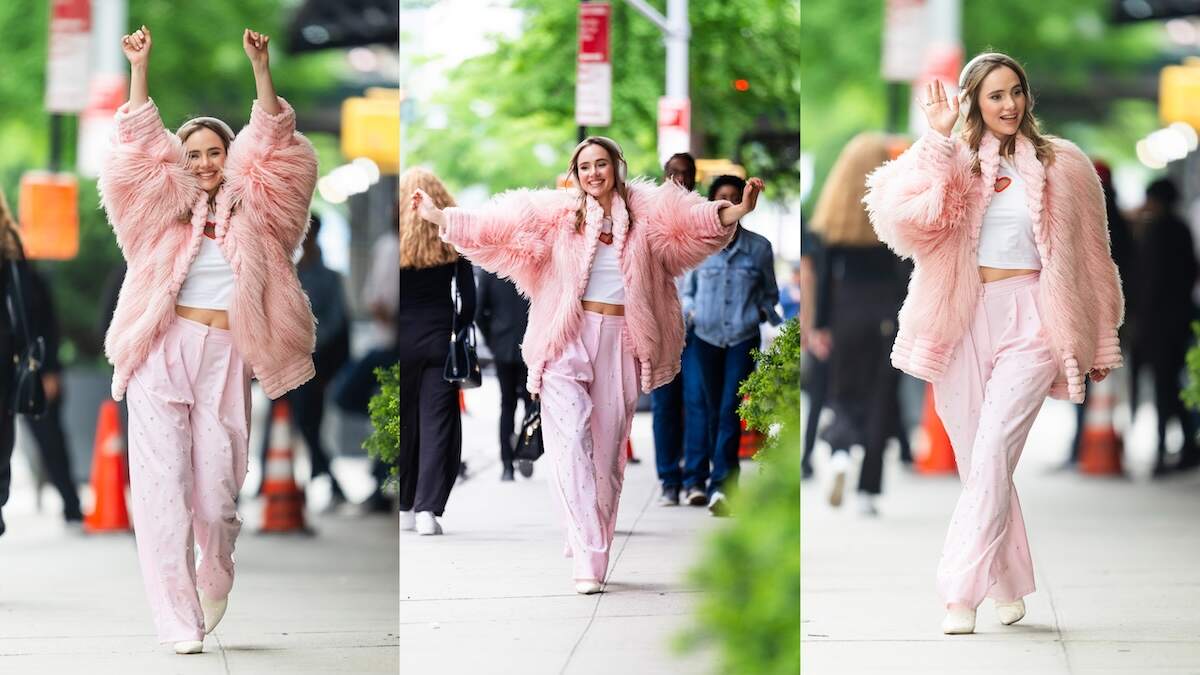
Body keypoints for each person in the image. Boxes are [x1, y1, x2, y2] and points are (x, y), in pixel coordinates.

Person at [412, 137, 764, 594]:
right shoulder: (557, 214)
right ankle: (588, 553)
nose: (593, 173)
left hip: (621, 340)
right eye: (584, 167)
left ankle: (585, 531)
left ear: (617, 166)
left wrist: (736, 212)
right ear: (574, 174)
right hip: (566, 338)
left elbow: (692, 220)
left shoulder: (647, 211)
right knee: (571, 437)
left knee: (608, 452)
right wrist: (442, 218)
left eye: (601, 164)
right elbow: (500, 225)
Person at [863, 53, 1124, 635]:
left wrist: (1101, 339)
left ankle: (960, 592)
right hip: (962, 318)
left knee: (993, 449)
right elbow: (903, 220)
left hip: (1034, 318)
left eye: (1016, 92)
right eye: (995, 96)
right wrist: (935, 139)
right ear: (975, 104)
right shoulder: (954, 161)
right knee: (981, 463)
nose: (1009, 105)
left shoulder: (1066, 166)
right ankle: (1008, 582)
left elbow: (1093, 260)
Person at [98, 26, 318, 655]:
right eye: (190, 154)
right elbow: (138, 145)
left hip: (226, 358)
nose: (201, 163)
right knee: (162, 493)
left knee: (217, 495)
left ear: (232, 156)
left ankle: (215, 572)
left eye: (213, 152)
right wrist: (139, 68)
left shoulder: (264, 213)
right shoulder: (157, 212)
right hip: (160, 353)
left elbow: (276, 143)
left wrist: (261, 68)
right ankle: (176, 621)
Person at [810, 133, 912, 516]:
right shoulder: (892, 211)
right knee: (881, 400)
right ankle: (868, 491)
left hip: (844, 313)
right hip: (888, 313)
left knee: (844, 393)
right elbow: (906, 272)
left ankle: (838, 453)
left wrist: (821, 326)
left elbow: (822, 279)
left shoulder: (834, 216)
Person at [682, 174, 781, 517]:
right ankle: (710, 478)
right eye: (720, 196)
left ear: (744, 203)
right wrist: (689, 313)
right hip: (704, 337)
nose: (727, 202)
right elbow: (686, 291)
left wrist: (763, 313)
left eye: (734, 197)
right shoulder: (698, 246)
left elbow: (770, 294)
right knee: (709, 409)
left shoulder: (759, 247)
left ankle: (723, 487)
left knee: (729, 409)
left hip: (742, 337)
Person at [257, 214, 350, 507]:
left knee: (308, 423)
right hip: (281, 362)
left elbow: (336, 321)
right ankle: (266, 479)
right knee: (279, 421)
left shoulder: (327, 277)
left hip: (312, 364)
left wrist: (309, 344)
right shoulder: (283, 271)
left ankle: (328, 483)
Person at [398, 168, 473, 534]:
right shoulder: (452, 240)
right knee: (437, 424)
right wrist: (457, 329)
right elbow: (469, 300)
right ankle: (427, 511)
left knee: (405, 422)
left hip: (402, 342)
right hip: (439, 340)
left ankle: (403, 508)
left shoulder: (393, 241)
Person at [650, 152, 710, 507]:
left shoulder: (703, 214)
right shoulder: (651, 216)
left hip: (699, 327)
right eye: (672, 173)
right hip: (660, 326)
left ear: (694, 178)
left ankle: (695, 479)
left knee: (696, 401)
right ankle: (668, 480)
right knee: (664, 405)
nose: (678, 180)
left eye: (685, 174)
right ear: (664, 176)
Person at [1130, 178, 1198, 475]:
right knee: (1173, 385)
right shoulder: (1181, 228)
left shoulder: (1155, 231)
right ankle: (1186, 446)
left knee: (1163, 388)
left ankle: (1163, 450)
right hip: (1181, 319)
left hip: (1157, 323)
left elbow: (1149, 281)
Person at [23, 262, 83, 525]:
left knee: (51, 441)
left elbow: (49, 327)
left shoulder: (27, 276)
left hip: (35, 372)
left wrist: (51, 370)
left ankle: (71, 506)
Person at [476, 269, 532, 481]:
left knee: (507, 405)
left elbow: (479, 311)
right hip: (529, 343)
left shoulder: (490, 269)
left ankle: (507, 465)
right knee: (530, 404)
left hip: (502, 345)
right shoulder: (529, 263)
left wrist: (492, 341)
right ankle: (527, 451)